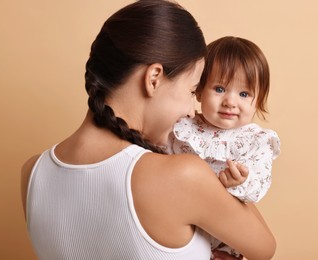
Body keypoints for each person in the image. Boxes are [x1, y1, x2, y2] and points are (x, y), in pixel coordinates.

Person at [21, 1, 276, 260]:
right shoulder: (183, 175)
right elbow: (265, 248)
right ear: (154, 78)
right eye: (191, 91)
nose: (191, 111)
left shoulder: (32, 173)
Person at [167, 36, 281, 257]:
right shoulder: (182, 126)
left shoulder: (256, 140)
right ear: (199, 90)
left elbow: (259, 184)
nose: (230, 101)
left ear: (257, 101)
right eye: (219, 89)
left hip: (224, 239)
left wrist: (241, 181)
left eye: (244, 94)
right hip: (180, 231)